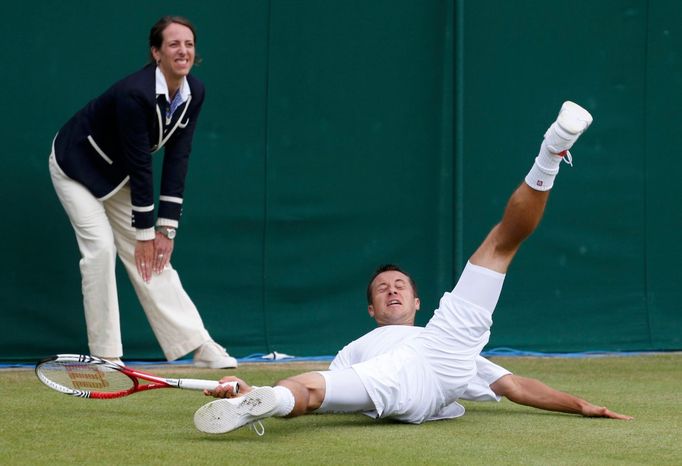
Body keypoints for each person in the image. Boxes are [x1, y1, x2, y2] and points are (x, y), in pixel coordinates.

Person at [193, 101, 633, 434]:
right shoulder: (356, 349)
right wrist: (252, 390)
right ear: (371, 310)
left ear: (418, 301)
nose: (392, 290)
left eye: (400, 284)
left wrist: (581, 405)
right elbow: (319, 392)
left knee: (500, 244)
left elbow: (514, 386)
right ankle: (257, 403)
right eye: (382, 288)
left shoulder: (438, 334)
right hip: (395, 383)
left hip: (442, 352)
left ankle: (551, 151)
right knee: (306, 391)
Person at [48, 16, 236, 368]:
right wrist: (146, 232)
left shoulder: (195, 92)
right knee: (101, 251)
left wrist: (166, 229)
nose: (183, 50)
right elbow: (141, 163)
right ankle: (106, 355)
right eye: (174, 44)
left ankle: (200, 345)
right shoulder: (135, 93)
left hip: (117, 175)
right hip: (75, 167)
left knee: (152, 257)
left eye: (189, 44)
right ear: (156, 53)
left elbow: (179, 157)